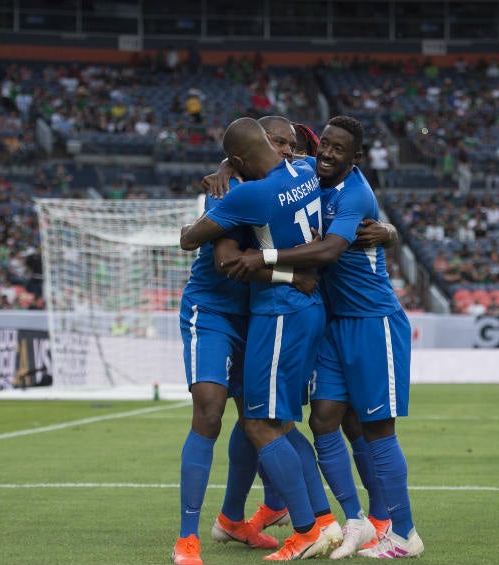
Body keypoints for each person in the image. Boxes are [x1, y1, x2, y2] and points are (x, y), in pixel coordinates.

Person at [224, 115, 424, 559]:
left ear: (356, 159)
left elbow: (331, 249)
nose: (327, 155)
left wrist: (265, 257)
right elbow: (266, 154)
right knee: (324, 419)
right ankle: (354, 521)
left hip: (372, 321)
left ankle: (402, 532)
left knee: (375, 429)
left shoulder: (355, 192)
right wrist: (225, 168)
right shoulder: (308, 177)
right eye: (324, 146)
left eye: (338, 150)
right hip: (332, 323)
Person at [179, 117, 334, 562]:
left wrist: (228, 168)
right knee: (217, 412)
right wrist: (222, 176)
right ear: (263, 145)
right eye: (279, 142)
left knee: (261, 421)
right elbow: (223, 258)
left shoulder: (254, 187)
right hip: (214, 309)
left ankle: (249, 520)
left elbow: (195, 239)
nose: (287, 149)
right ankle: (190, 538)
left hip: (262, 311)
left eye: (290, 143)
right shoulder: (254, 185)